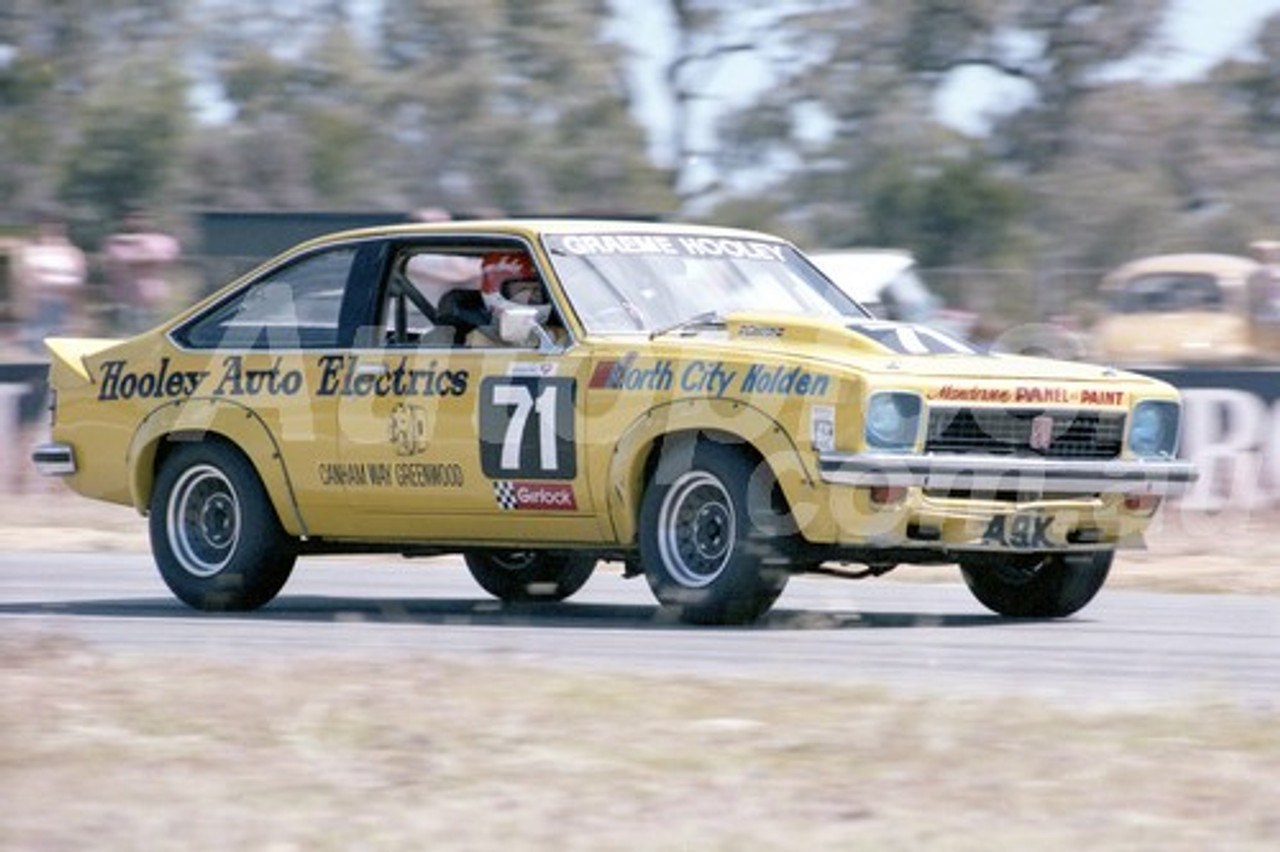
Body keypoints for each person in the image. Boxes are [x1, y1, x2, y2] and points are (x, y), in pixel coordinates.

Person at [103, 209, 181, 334]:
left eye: (143, 218)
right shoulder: (118, 242)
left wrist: (139, 248)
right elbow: (119, 259)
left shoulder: (163, 241)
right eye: (134, 218)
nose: (139, 222)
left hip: (156, 298)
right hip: (127, 299)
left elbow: (163, 259)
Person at [17, 214, 86, 352]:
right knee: (36, 343)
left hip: (64, 305)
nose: (52, 229)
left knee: (60, 345)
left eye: (56, 225)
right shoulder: (31, 251)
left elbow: (79, 280)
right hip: (38, 305)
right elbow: (25, 278)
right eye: (47, 225)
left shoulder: (71, 252)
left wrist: (77, 311)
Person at [467, 251, 560, 347]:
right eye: (522, 290)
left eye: (537, 290)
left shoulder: (564, 338)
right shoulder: (479, 338)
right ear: (494, 292)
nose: (531, 297)